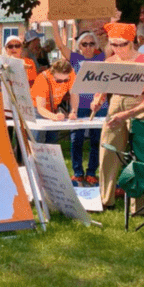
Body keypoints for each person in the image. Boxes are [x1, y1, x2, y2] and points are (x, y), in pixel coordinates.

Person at [92, 23, 144, 208]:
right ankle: (106, 200)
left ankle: (142, 206)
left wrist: (128, 114)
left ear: (132, 42)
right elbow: (102, 90)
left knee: (142, 155)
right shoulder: (110, 62)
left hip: (140, 109)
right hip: (115, 105)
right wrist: (97, 100)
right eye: (113, 44)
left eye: (122, 44)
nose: (117, 49)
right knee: (107, 152)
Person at [52, 26, 105, 186]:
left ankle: (91, 173)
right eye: (84, 44)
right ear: (79, 46)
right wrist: (54, 25)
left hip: (99, 107)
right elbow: (60, 46)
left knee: (97, 140)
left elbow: (112, 45)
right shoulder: (75, 59)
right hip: (78, 106)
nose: (88, 47)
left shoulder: (101, 58)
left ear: (95, 46)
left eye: (91, 44)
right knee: (76, 140)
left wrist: (113, 22)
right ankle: (77, 173)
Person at [30, 58, 79, 146]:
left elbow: (74, 94)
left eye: (65, 80)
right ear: (52, 74)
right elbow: (40, 108)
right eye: (59, 80)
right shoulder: (42, 79)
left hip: (53, 109)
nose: (62, 83)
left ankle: (50, 159)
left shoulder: (71, 74)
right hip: (36, 110)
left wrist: (73, 111)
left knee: (52, 143)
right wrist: (54, 117)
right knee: (37, 142)